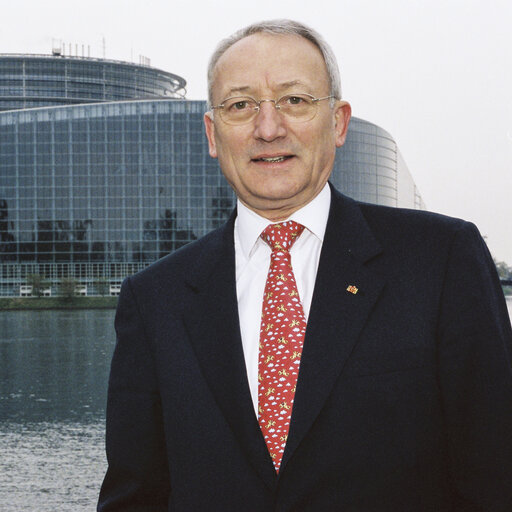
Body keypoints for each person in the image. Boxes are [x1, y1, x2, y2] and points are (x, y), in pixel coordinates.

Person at [98, 19, 512, 511]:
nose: (268, 128)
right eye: (240, 105)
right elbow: (134, 496)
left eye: (294, 100)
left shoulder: (442, 260)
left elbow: (495, 478)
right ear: (213, 134)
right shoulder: (155, 299)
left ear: (337, 122)